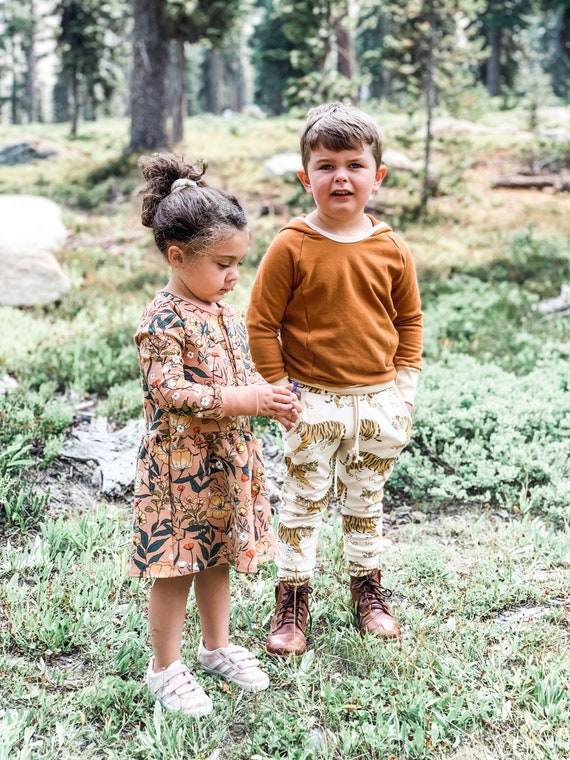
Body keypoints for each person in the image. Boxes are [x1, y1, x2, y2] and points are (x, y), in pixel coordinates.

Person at [246, 102, 423, 656]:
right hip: (311, 403)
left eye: (354, 164)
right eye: (325, 166)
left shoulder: (390, 246)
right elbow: (261, 323)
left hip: (377, 400)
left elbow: (409, 319)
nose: (340, 176)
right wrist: (280, 390)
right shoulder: (292, 244)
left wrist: (404, 388)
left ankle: (367, 591)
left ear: (377, 176)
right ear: (306, 178)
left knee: (365, 502)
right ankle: (292, 602)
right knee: (302, 503)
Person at [129, 152, 300, 715]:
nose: (233, 276)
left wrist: (267, 397)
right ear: (178, 256)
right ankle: (165, 668)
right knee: (177, 562)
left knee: (217, 553)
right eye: (223, 264)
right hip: (178, 469)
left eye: (239, 264)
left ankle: (216, 646)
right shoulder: (162, 319)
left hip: (225, 458)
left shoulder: (223, 311)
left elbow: (240, 371)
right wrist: (242, 399)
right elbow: (171, 394)